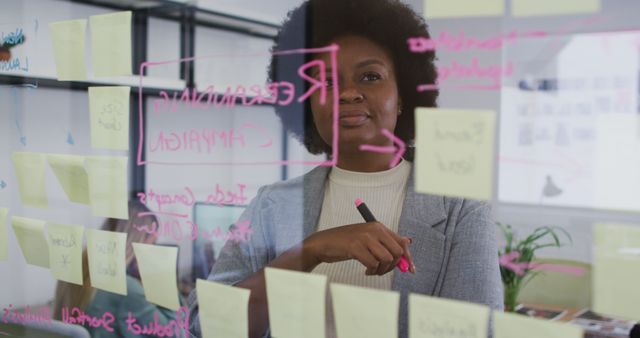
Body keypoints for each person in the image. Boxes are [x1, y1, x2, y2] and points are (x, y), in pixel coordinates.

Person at [188, 0, 503, 337]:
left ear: (402, 98)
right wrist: (311, 250)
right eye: (326, 82)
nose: (349, 93)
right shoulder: (271, 205)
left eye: (370, 76)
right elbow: (207, 326)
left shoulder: (460, 209)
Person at [53, 201, 185, 338]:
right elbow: (178, 335)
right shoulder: (126, 289)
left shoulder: (74, 268)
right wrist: (161, 281)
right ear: (139, 242)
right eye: (152, 243)